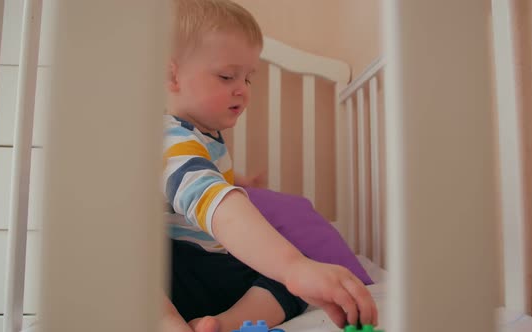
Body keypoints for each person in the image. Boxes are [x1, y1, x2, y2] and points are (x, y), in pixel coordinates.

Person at [161, 1, 378, 331]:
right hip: (172, 269)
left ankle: (220, 323)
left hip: (208, 271)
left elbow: (201, 178)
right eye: (226, 76)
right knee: (130, 268)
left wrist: (240, 181)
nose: (243, 90)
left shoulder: (204, 136)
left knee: (290, 283)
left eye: (248, 78)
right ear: (171, 74)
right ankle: (168, 323)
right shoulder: (168, 139)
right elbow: (214, 201)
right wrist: (293, 267)